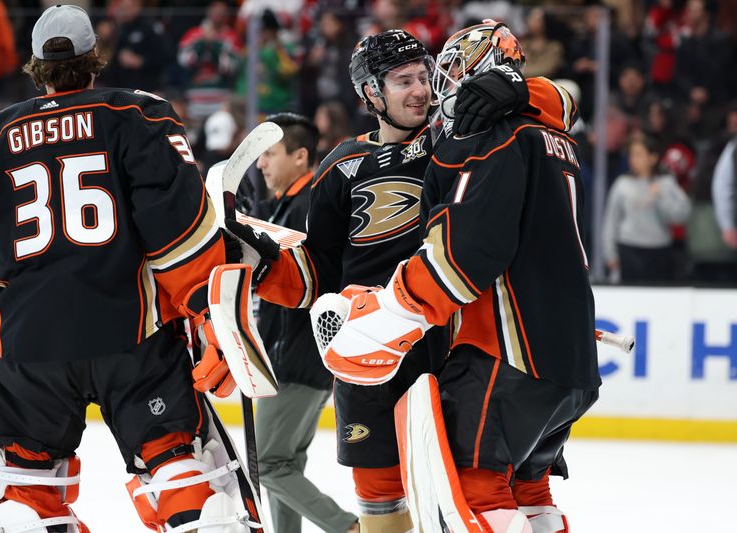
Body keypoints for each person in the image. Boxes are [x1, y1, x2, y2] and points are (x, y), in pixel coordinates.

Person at [226, 28, 581, 533]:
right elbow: (315, 274)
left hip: (453, 349)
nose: (421, 90)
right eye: (403, 80)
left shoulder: (460, 133)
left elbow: (564, 104)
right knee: (380, 499)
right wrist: (259, 265)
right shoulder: (342, 166)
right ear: (372, 93)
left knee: (465, 499)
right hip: (368, 359)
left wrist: (520, 89)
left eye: (423, 76)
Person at [0, 6, 250, 532]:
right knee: (180, 474)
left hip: (29, 346)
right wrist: (208, 310)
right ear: (92, 60)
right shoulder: (138, 114)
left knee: (23, 499)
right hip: (132, 336)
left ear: (35, 65)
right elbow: (179, 233)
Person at [251, 112, 359, 533]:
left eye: (270, 154)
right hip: (300, 353)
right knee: (285, 462)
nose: (261, 164)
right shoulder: (285, 205)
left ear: (300, 157)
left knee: (270, 464)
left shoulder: (307, 206)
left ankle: (349, 528)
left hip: (295, 355)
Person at [602, 136, 691, 283]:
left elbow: (682, 215)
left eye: (639, 155)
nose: (633, 159)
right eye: (631, 154)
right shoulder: (622, 183)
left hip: (659, 250)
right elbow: (611, 220)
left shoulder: (666, 182)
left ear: (653, 158)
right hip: (629, 249)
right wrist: (610, 254)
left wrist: (661, 197)